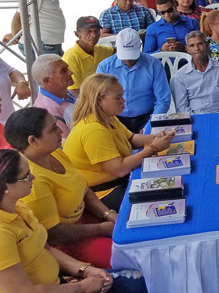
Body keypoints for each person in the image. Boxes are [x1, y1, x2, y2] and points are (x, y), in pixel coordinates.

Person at [0, 149, 148, 293]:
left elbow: (45, 249)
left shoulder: (19, 208)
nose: (33, 177)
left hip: (59, 283)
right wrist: (82, 288)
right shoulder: (3, 234)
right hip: (55, 287)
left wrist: (85, 270)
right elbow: (21, 290)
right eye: (26, 176)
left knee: (141, 280)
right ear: (6, 186)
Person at [6, 108, 115, 269]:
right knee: (124, 256)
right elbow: (53, 233)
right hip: (66, 242)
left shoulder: (55, 153)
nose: (60, 131)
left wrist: (108, 214)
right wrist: (101, 228)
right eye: (53, 129)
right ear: (33, 141)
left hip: (87, 220)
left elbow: (83, 189)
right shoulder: (32, 180)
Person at [64, 73, 174, 210]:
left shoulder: (108, 117)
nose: (124, 101)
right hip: (102, 191)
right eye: (118, 98)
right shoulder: (93, 130)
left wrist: (157, 137)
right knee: (160, 200)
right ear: (99, 100)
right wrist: (153, 148)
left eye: (122, 95)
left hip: (117, 179)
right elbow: (120, 169)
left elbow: (131, 138)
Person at [96, 29, 171, 133]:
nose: (128, 60)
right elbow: (98, 99)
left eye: (131, 56)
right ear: (117, 48)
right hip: (114, 119)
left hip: (147, 118)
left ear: (140, 47)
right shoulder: (105, 67)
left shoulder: (154, 65)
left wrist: (149, 126)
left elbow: (163, 100)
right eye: (124, 55)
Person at [171, 31, 219, 114]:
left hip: (218, 116)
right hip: (194, 118)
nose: (197, 49)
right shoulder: (181, 75)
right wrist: (196, 120)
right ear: (187, 49)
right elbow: (181, 107)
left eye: (200, 44)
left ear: (207, 45)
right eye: (192, 46)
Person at [62, 17, 114, 96]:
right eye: (88, 31)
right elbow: (74, 92)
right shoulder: (72, 57)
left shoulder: (100, 50)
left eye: (96, 31)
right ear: (77, 34)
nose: (93, 35)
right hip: (83, 101)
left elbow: (117, 51)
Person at [31, 55, 77, 138]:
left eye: (67, 68)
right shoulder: (47, 110)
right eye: (63, 71)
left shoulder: (68, 92)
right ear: (47, 80)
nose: (70, 72)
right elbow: (65, 145)